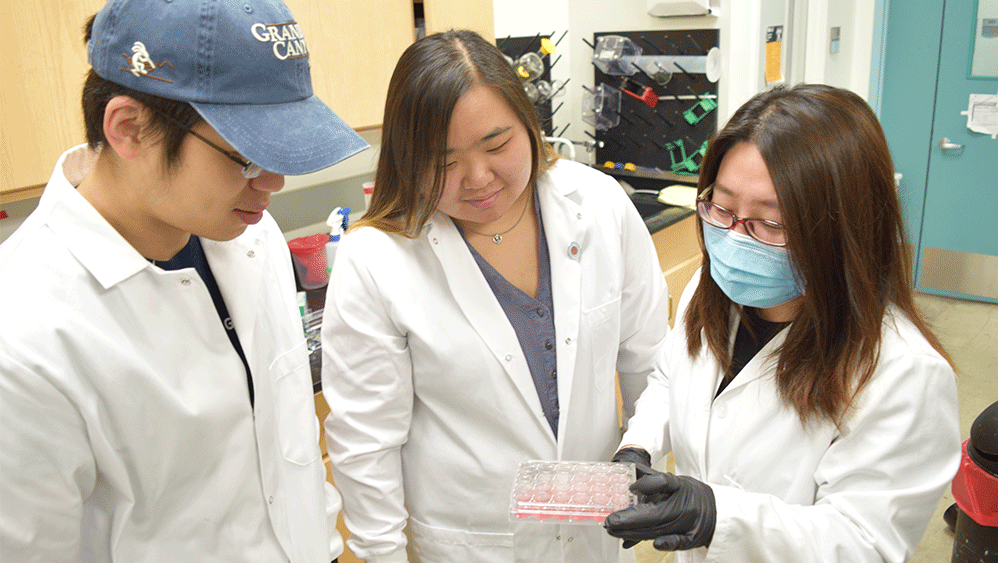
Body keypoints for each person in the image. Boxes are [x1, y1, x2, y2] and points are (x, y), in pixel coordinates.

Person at [0, 0, 368, 561]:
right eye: (246, 156)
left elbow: (291, 451)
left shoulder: (253, 236)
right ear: (129, 129)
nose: (274, 181)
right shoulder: (25, 335)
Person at [320, 30, 670, 563]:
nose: (477, 178)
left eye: (496, 144)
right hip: (467, 543)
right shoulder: (376, 258)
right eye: (443, 161)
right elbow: (366, 447)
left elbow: (650, 362)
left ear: (527, 127)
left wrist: (645, 465)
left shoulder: (598, 204)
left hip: (593, 532)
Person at [603, 83, 961, 562]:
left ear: (842, 229)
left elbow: (864, 541)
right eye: (722, 206)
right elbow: (672, 379)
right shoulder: (710, 295)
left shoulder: (903, 373)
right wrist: (639, 445)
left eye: (770, 223)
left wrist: (718, 516)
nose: (733, 237)